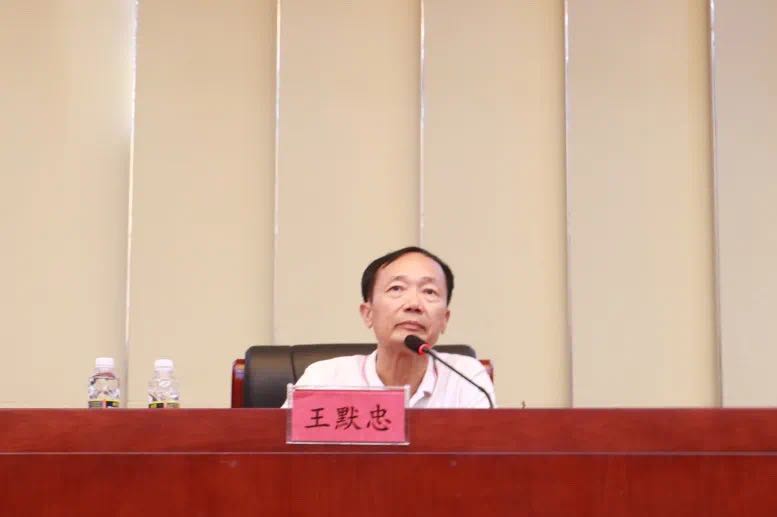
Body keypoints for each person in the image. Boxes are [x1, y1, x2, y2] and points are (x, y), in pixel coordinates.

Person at [285, 246, 495, 408]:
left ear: (445, 319)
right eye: (396, 288)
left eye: (429, 291)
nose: (414, 304)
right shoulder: (325, 379)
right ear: (368, 314)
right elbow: (279, 446)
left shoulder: (466, 377)